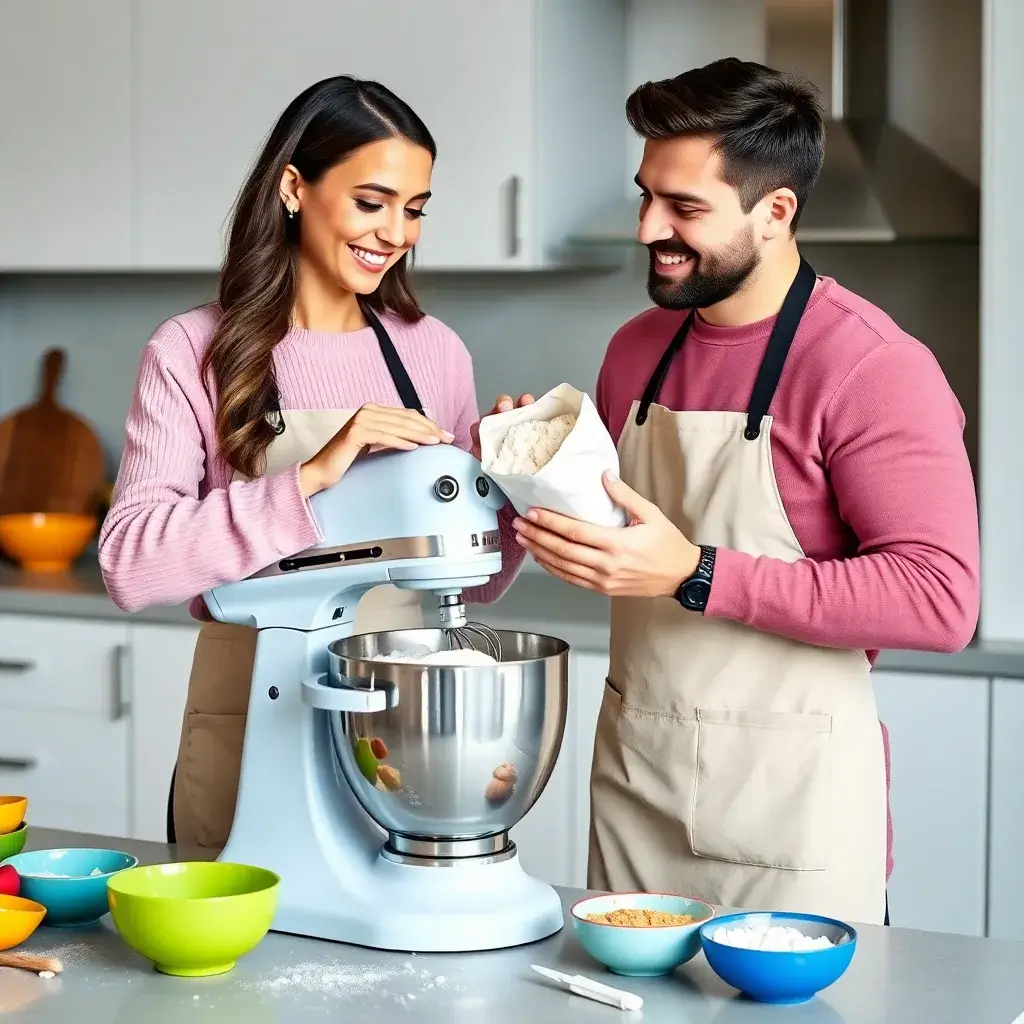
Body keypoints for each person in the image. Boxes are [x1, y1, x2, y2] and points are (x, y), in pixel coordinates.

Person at [511, 59, 980, 926]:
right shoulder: (634, 350)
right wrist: (532, 466)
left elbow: (940, 600)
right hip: (635, 787)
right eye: (646, 195)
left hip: (790, 815)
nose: (649, 226)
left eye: (685, 208)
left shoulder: (872, 368)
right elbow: (621, 533)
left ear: (775, 213)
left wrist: (696, 571)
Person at [98, 75, 531, 851]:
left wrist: (513, 498)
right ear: (295, 188)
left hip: (401, 712)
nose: (396, 231)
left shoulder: (432, 352)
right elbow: (129, 564)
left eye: (416, 208)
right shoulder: (195, 350)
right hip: (251, 709)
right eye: (372, 202)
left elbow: (478, 583)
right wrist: (312, 476)